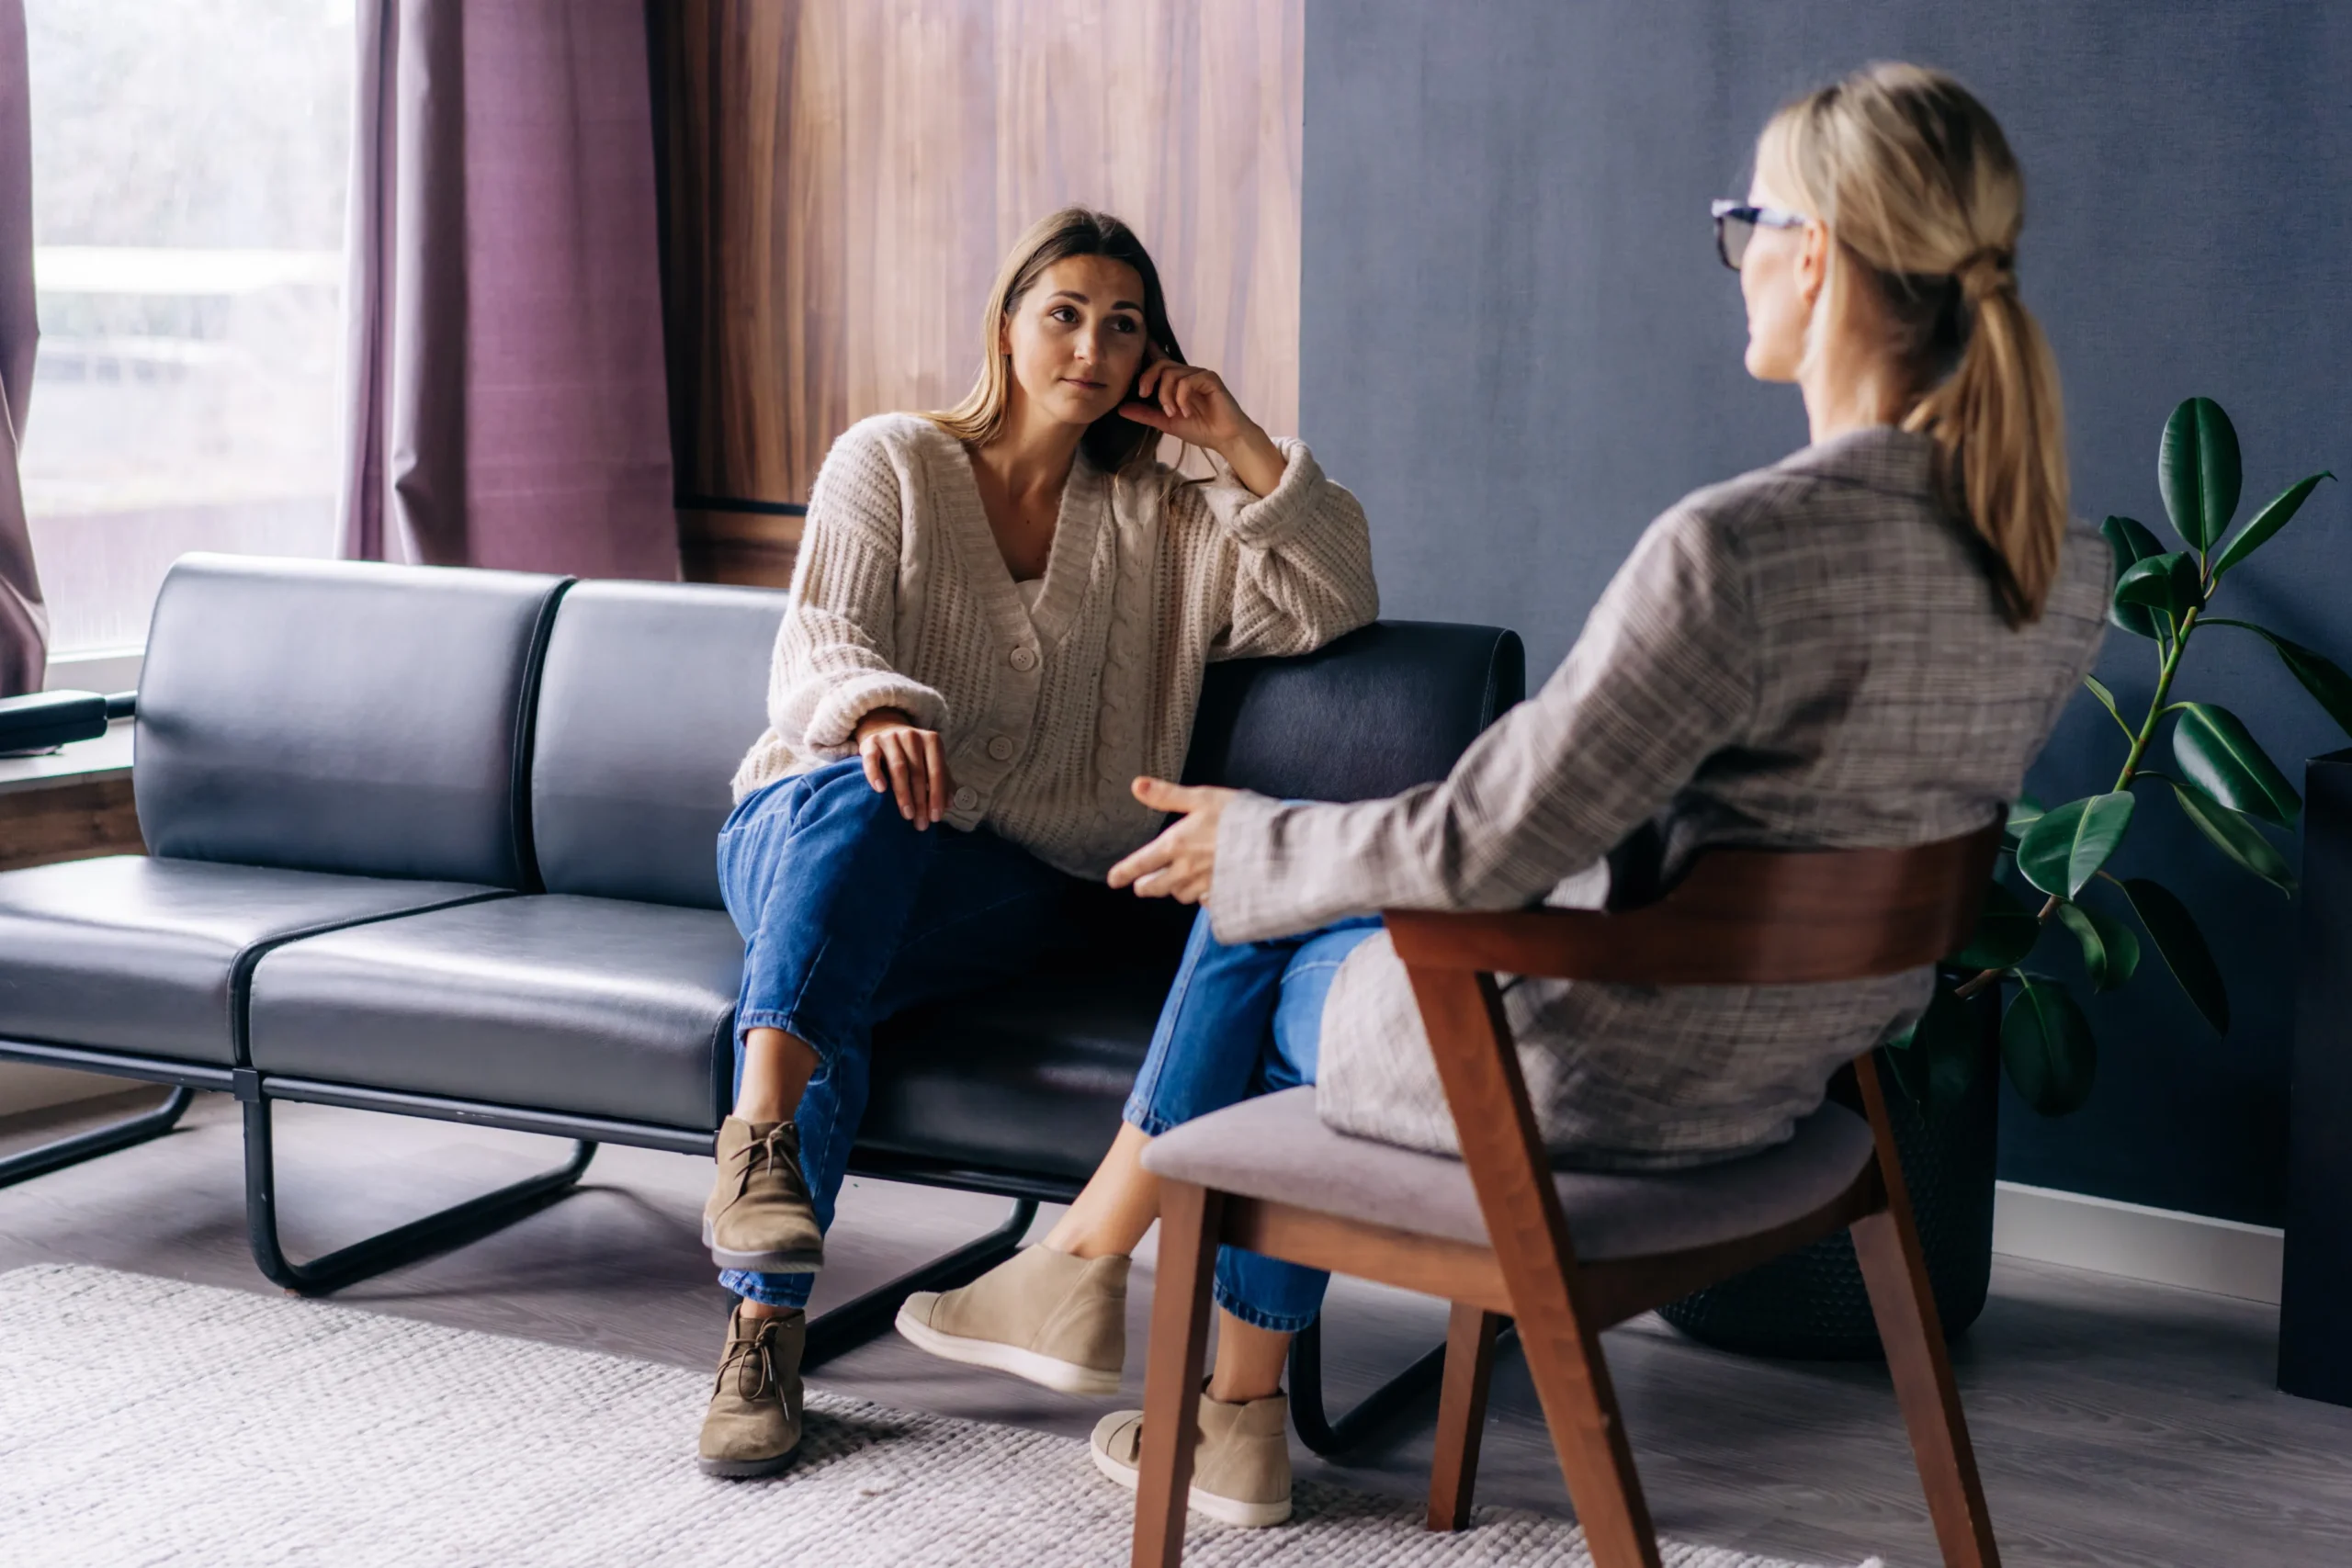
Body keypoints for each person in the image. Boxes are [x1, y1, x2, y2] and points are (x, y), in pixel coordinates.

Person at [899, 62, 2109, 1529]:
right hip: (1793, 1079)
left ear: (1818, 255)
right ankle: (1195, 1387)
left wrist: (1262, 841)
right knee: (1288, 878)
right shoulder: (2056, 564)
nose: (1739, 261)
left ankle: (1125, 1312)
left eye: (1746, 223)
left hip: (1592, 1080)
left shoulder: (1740, 549)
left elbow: (1489, 838)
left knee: (1258, 912)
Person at [696, 208, 1377, 1477]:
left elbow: (1334, 604)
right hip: (807, 818)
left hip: (1023, 884)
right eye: (1064, 311)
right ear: (1006, 327)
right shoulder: (889, 459)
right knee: (867, 810)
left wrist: (1236, 440)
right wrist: (883, 710)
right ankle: (764, 1201)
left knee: (846, 948)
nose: (1093, 344)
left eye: (1125, 324)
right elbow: (818, 644)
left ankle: (761, 1301)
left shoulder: (1168, 518)